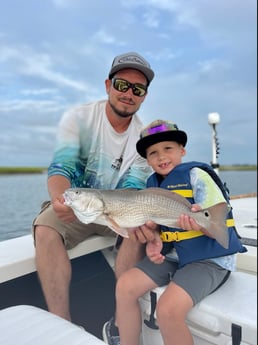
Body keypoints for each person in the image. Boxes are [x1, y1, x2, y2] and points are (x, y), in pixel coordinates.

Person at [32, 51, 158, 322]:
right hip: (76, 205)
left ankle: (119, 320)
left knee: (134, 233)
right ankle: (61, 322)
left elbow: (133, 187)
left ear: (144, 96)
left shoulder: (144, 138)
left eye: (138, 89)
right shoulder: (79, 118)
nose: (129, 93)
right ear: (108, 85)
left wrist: (136, 219)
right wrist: (59, 200)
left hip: (118, 210)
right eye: (122, 85)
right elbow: (61, 168)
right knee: (45, 228)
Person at [113, 119, 247, 345]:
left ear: (182, 150)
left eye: (168, 148)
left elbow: (220, 225)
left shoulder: (196, 176)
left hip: (209, 259)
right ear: (147, 160)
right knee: (124, 286)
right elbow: (157, 226)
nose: (161, 156)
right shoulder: (152, 185)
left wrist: (201, 222)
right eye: (153, 152)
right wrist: (154, 241)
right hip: (173, 256)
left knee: (167, 310)